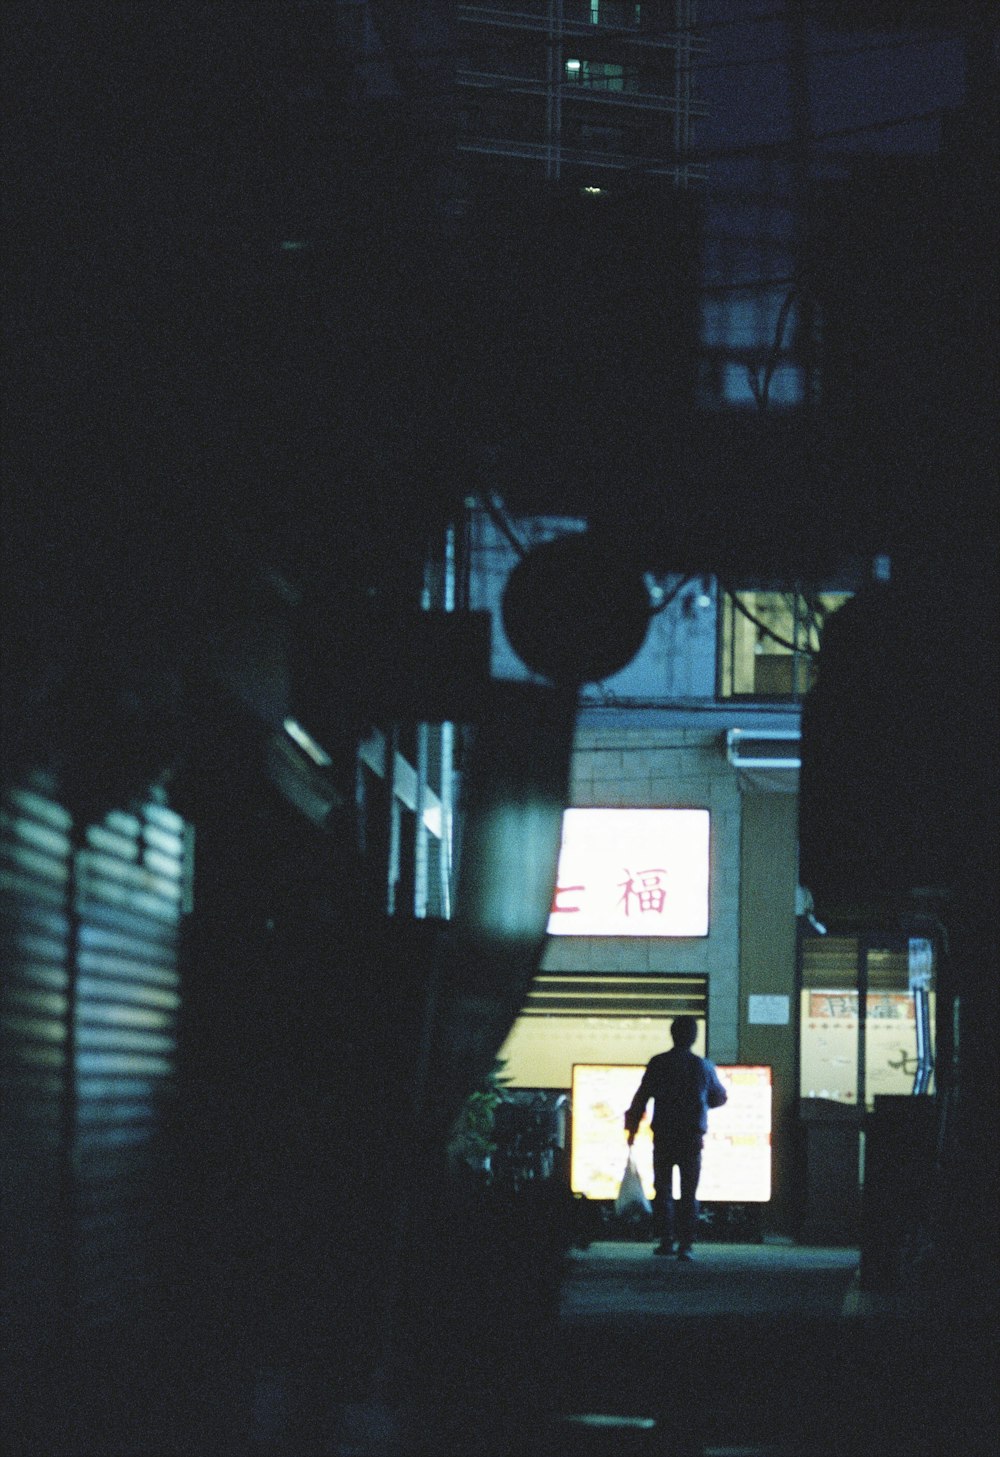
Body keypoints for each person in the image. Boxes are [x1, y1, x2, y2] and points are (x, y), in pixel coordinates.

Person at [624, 1016, 728, 1261]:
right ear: (693, 1037)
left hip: (664, 1135)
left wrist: (631, 1129)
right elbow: (720, 1097)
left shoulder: (658, 1063)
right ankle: (686, 1245)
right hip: (692, 1136)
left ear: (672, 1034)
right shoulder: (703, 1066)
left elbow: (641, 1097)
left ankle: (666, 1240)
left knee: (663, 1189)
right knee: (689, 1191)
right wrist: (701, 1103)